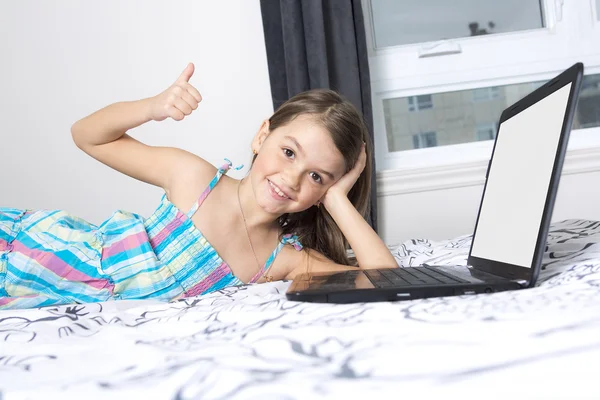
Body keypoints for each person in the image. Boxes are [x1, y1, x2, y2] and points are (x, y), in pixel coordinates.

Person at [0, 63, 397, 310]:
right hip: (45, 255)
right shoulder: (195, 179)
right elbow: (87, 135)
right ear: (262, 136)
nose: (292, 179)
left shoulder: (282, 260)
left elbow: (384, 283)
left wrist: (338, 200)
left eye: (316, 177)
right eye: (289, 152)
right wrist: (153, 107)